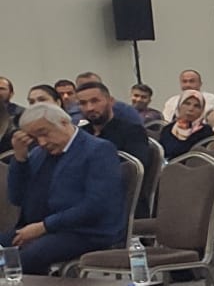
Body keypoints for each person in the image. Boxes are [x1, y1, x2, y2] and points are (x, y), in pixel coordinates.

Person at [2, 105, 126, 275]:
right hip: (40, 227)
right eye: (34, 137)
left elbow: (96, 205)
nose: (42, 142)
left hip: (86, 231)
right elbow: (16, 197)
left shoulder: (98, 150)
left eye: (44, 133)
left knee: (27, 257)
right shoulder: (38, 154)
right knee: (8, 249)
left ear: (63, 123)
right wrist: (20, 159)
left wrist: (44, 226)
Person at [158, 89, 214, 160]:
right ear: (179, 106)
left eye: (197, 106)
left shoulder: (206, 131)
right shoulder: (168, 129)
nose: (191, 109)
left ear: (202, 110)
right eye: (187, 104)